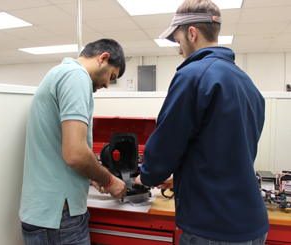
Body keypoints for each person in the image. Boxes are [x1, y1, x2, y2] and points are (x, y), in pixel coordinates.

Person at [134, 0, 269, 244]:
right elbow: (227, 154)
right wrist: (184, 177)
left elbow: (167, 142)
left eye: (178, 40)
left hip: (212, 226)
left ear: (192, 33)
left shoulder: (193, 74)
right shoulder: (246, 82)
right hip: (252, 223)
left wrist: (145, 177)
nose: (179, 50)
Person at [19, 39, 127, 245]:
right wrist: (109, 181)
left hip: (44, 215)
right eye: (110, 76)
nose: (106, 85)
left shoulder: (59, 73)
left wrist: (91, 177)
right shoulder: (77, 77)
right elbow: (75, 153)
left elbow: (56, 148)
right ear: (103, 58)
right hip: (59, 220)